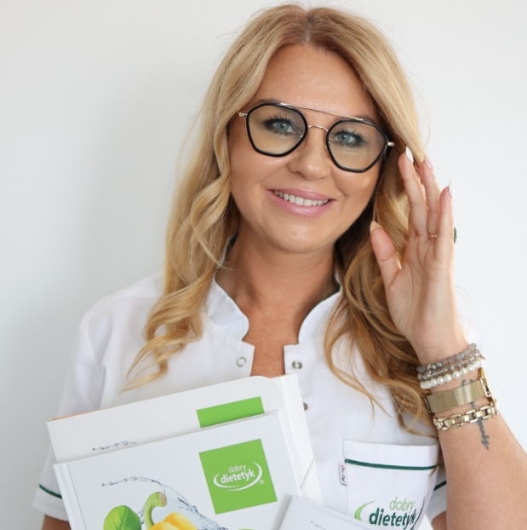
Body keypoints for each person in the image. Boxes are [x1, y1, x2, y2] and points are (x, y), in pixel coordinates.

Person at [35, 4, 527, 529]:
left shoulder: (428, 350)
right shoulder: (117, 331)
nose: (311, 164)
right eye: (279, 124)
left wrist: (443, 350)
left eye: (350, 137)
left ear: (382, 167)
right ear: (227, 136)